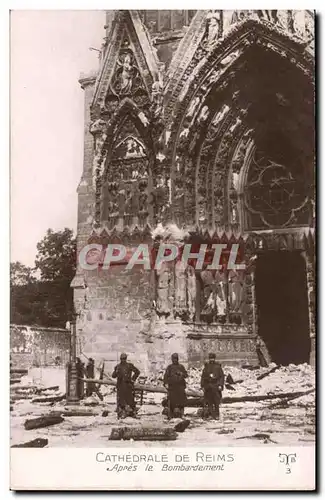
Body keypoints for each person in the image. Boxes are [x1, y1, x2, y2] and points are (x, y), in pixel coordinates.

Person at [112, 353, 140, 419]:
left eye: (124, 359)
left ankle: (132, 413)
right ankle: (122, 413)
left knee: (130, 400)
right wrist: (116, 371)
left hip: (128, 385)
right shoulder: (117, 366)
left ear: (126, 359)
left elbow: (137, 372)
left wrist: (133, 379)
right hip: (120, 386)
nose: (123, 360)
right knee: (121, 400)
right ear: (120, 359)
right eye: (122, 359)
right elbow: (113, 376)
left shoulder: (129, 365)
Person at [163, 353, 188, 419]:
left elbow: (186, 375)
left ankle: (181, 414)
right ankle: (171, 414)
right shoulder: (169, 367)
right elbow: (166, 376)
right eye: (173, 359)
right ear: (172, 359)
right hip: (172, 387)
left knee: (181, 401)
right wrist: (165, 383)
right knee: (171, 401)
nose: (174, 360)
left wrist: (181, 373)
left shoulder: (181, 367)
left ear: (177, 359)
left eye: (176, 359)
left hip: (180, 387)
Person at [201, 353, 224, 419]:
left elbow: (221, 377)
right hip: (208, 386)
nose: (211, 360)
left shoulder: (218, 367)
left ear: (214, 358)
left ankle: (217, 415)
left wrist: (220, 385)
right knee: (209, 402)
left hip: (216, 386)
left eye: (213, 358)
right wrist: (202, 386)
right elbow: (203, 377)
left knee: (216, 402)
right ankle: (211, 414)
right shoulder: (206, 367)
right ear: (209, 359)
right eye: (210, 358)